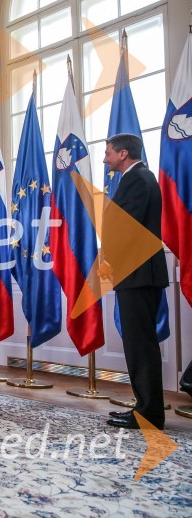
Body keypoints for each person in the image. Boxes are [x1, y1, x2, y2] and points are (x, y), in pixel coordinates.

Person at [102, 133, 169, 430]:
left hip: (139, 273)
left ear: (123, 153)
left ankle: (149, 414)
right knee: (138, 344)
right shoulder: (136, 179)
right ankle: (145, 408)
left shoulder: (138, 179)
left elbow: (126, 227)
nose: (105, 158)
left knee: (140, 345)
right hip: (136, 273)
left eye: (108, 153)